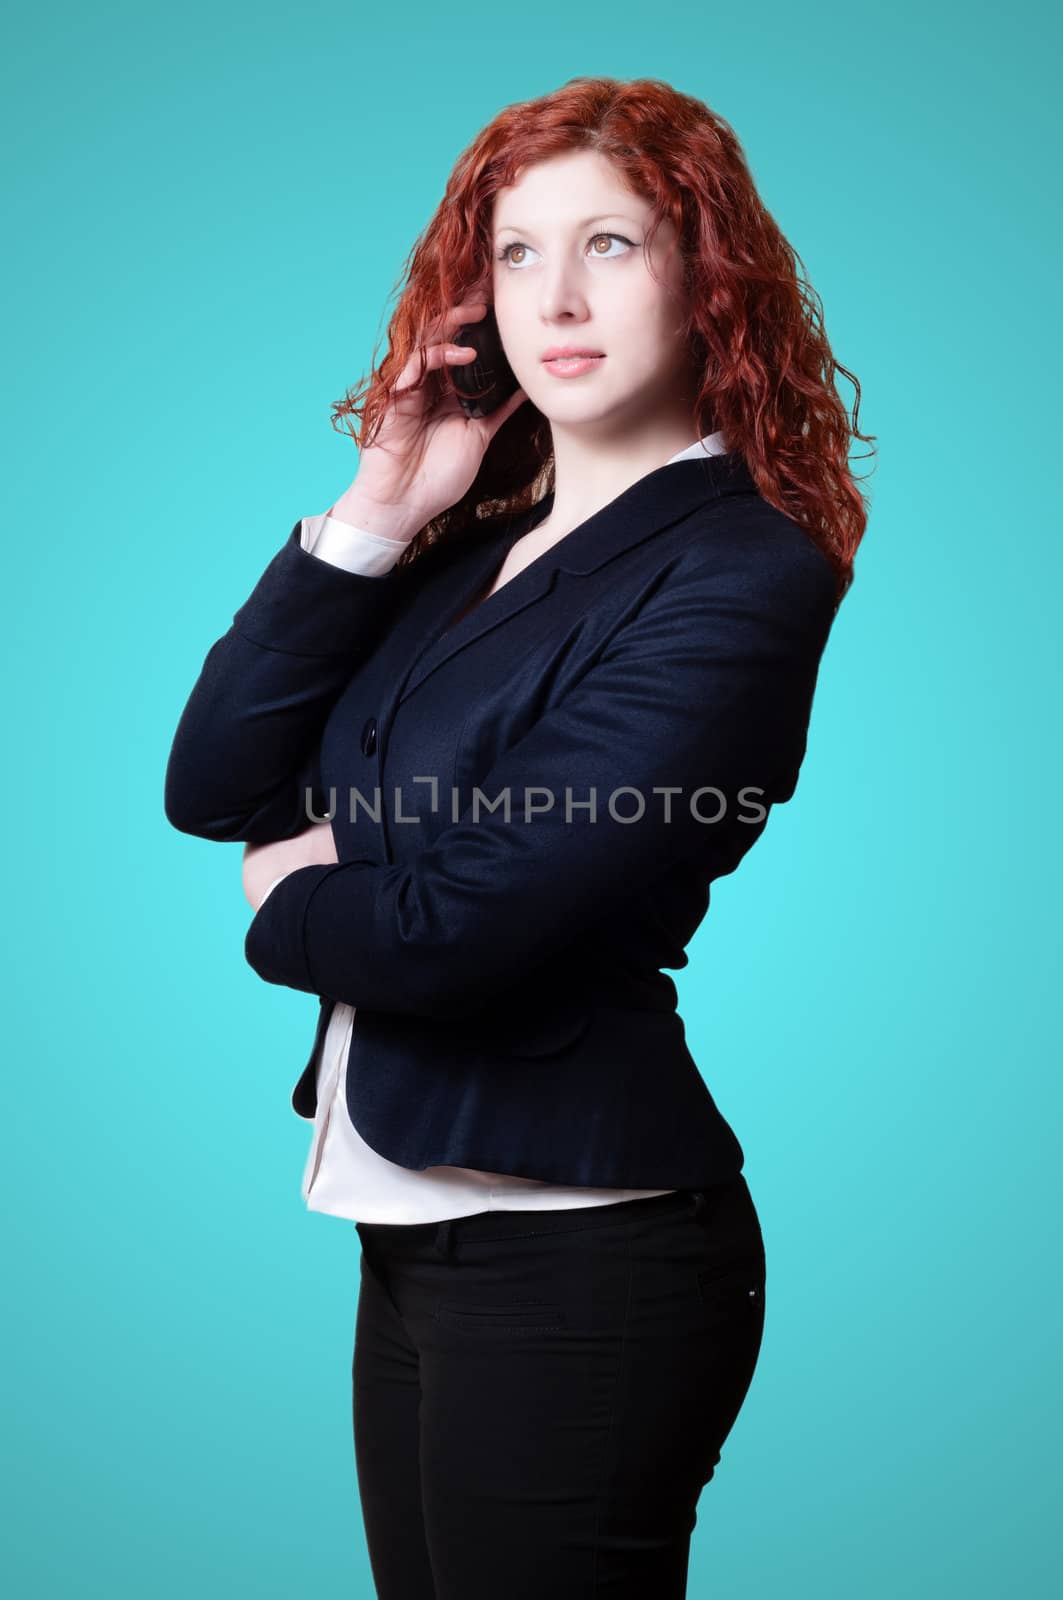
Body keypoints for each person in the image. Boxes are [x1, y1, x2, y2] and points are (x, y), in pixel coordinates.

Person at [165, 74, 872, 1600]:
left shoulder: (744, 569)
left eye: (610, 245)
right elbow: (216, 780)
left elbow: (470, 927)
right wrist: (380, 503)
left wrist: (282, 899)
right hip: (418, 1242)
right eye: (516, 252)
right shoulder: (470, 540)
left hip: (583, 1259)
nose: (555, 295)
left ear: (707, 275)